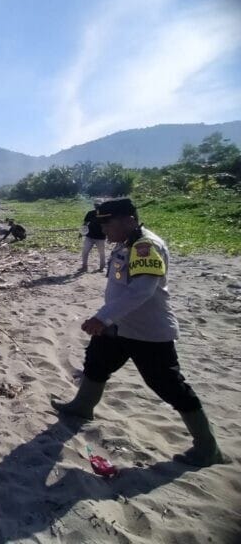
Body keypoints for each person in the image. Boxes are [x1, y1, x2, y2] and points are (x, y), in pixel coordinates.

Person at [51, 198, 228, 467]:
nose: (104, 229)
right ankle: (82, 407)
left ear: (129, 220)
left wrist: (102, 317)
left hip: (147, 331)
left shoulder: (146, 246)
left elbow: (142, 291)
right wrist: (107, 320)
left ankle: (207, 447)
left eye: (107, 222)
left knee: (168, 385)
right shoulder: (125, 244)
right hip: (119, 326)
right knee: (97, 360)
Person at [79, 202, 106, 272]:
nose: (97, 207)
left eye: (98, 205)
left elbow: (108, 225)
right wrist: (81, 232)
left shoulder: (105, 214)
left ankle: (102, 267)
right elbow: (85, 223)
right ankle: (84, 266)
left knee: (102, 253)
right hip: (89, 236)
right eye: (96, 205)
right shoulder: (90, 213)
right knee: (85, 251)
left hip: (100, 237)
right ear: (94, 206)